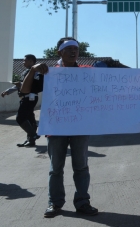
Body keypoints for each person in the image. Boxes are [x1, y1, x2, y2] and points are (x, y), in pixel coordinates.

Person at [27, 37, 98, 218]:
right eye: (69, 48)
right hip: (56, 128)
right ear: (59, 52)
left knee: (81, 167)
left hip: (80, 127)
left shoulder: (86, 71)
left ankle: (83, 202)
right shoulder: (50, 73)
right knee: (55, 168)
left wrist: (138, 78)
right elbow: (26, 90)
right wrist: (33, 70)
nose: (74, 51)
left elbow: (107, 81)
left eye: (76, 48)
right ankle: (55, 203)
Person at [2, 54, 42, 147]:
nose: (23, 62)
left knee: (20, 118)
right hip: (27, 97)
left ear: (31, 61)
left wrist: (20, 85)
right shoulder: (26, 72)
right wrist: (8, 91)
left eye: (25, 60)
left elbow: (29, 85)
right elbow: (21, 84)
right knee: (30, 119)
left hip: (30, 97)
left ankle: (33, 135)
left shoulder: (35, 72)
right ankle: (31, 141)